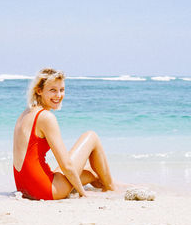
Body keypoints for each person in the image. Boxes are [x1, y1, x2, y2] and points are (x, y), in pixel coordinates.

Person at [13, 68, 116, 200]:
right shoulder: (45, 117)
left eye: (62, 90)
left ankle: (109, 185)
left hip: (24, 188)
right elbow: (66, 165)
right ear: (39, 91)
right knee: (91, 136)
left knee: (91, 174)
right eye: (53, 90)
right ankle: (111, 188)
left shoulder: (26, 113)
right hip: (44, 190)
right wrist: (83, 194)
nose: (58, 95)